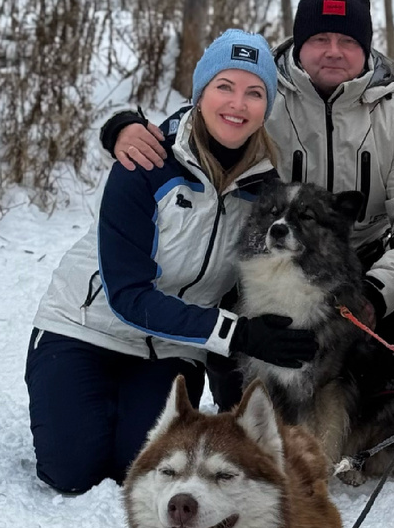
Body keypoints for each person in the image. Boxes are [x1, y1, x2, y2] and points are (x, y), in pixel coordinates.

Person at [102, 0, 394, 416]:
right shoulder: (264, 98)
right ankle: (248, 397)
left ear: (367, 49)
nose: (333, 51)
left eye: (347, 40)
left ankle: (373, 411)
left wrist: (376, 294)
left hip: (369, 272)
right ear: (299, 44)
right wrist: (125, 126)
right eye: (319, 38)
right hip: (273, 265)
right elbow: (200, 121)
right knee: (250, 384)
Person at [26, 29, 318, 494]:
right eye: (224, 86)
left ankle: (121, 407)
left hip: (171, 349)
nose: (237, 104)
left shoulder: (266, 192)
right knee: (71, 472)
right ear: (201, 92)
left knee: (138, 472)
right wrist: (236, 334)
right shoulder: (145, 160)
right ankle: (74, 398)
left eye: (254, 93)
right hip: (85, 328)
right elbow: (127, 295)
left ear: (268, 108)